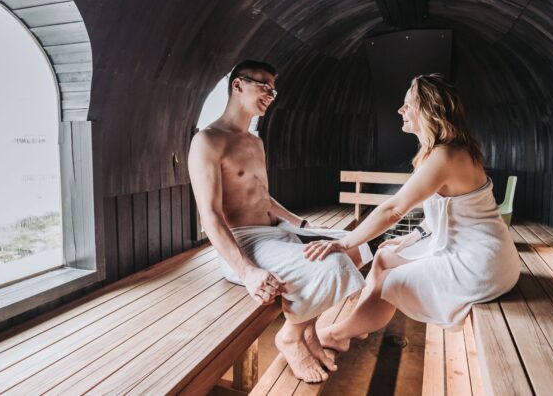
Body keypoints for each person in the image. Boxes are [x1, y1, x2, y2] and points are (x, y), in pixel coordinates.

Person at [304, 74, 520, 352]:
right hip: (480, 250)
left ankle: (337, 335)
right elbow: (443, 211)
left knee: (389, 283)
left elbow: (394, 209)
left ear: (429, 110)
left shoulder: (446, 156)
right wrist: (413, 237)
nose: (400, 110)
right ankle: (359, 323)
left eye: (407, 104)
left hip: (480, 264)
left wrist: (343, 243)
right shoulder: (445, 151)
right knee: (383, 255)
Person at [188, 60, 372, 383]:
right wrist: (248, 272)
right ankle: (290, 336)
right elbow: (210, 217)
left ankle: (309, 330)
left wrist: (299, 223)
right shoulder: (208, 141)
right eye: (264, 86)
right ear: (237, 85)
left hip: (277, 231)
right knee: (336, 263)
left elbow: (263, 197)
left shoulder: (255, 142)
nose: (271, 95)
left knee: (357, 246)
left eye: (274, 90)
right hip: (244, 243)